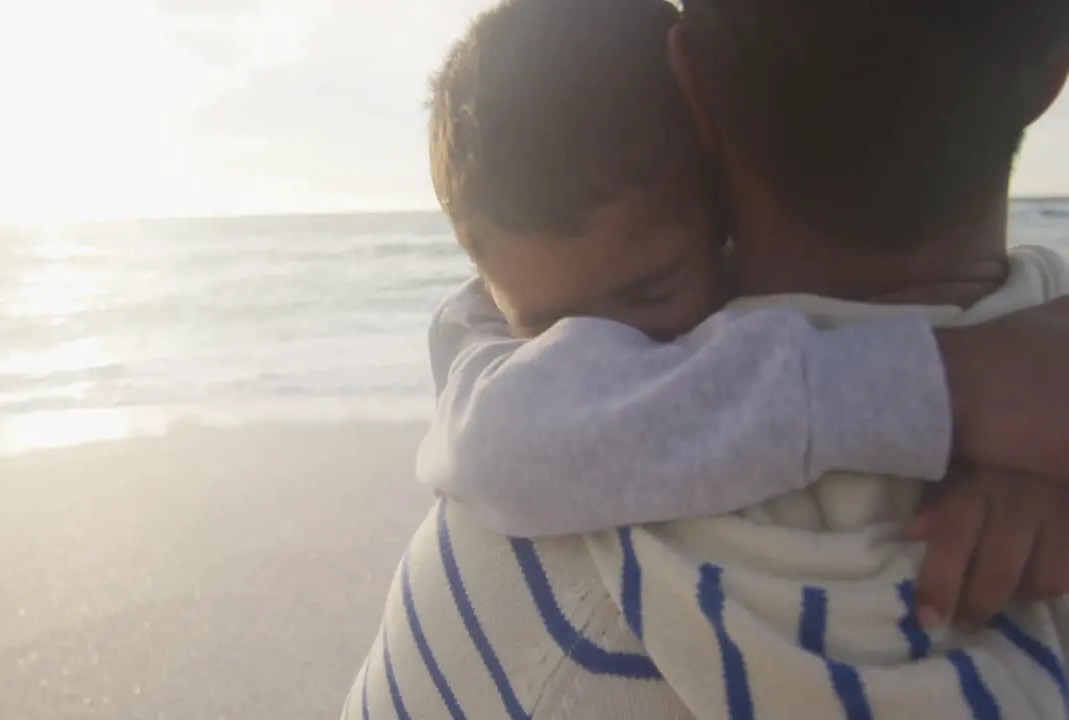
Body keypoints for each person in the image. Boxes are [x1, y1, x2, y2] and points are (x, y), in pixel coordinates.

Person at [343, 0, 1069, 715]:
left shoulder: (555, 570)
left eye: (650, 292)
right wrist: (941, 383)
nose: (606, 346)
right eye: (553, 335)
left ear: (693, 95)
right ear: (1052, 74)